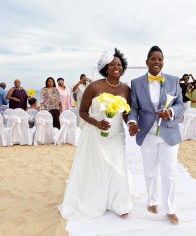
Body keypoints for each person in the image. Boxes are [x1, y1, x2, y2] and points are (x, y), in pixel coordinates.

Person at [59, 48, 133, 220]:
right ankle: (95, 201)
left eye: (119, 65)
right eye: (112, 64)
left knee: (117, 168)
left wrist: (131, 124)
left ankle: (118, 203)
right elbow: (83, 112)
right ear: (106, 68)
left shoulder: (126, 89)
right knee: (97, 168)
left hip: (116, 135)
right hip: (95, 134)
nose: (116, 67)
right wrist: (98, 123)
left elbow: (126, 113)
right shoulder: (94, 86)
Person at [128, 46, 183, 224]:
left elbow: (180, 105)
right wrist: (132, 122)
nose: (157, 62)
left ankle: (170, 208)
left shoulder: (174, 81)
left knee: (170, 172)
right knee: (150, 171)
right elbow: (134, 108)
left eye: (160, 59)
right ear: (147, 62)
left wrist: (171, 112)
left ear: (163, 62)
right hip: (147, 133)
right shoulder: (136, 83)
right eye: (153, 58)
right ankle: (152, 200)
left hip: (169, 132)